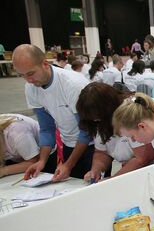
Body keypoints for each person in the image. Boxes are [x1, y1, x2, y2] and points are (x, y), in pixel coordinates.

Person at [12, 44, 94, 181]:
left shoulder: (72, 84)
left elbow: (86, 131)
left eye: (31, 73)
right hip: (69, 145)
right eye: (23, 76)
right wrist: (42, 161)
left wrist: (68, 165)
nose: (29, 80)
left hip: (92, 146)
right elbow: (46, 128)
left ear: (44, 64)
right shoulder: (31, 88)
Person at [76, 83, 154, 182]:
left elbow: (143, 158)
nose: (96, 121)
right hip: (130, 172)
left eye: (98, 118)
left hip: (152, 171)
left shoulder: (132, 110)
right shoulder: (97, 119)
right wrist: (96, 170)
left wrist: (113, 180)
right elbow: (101, 152)